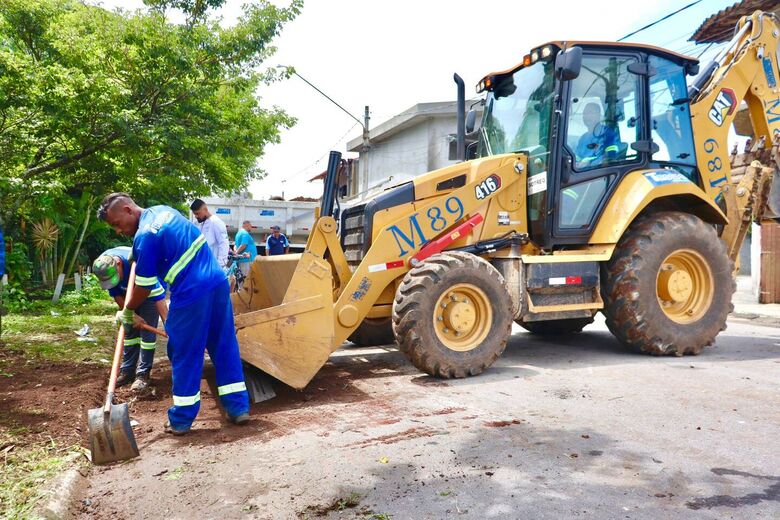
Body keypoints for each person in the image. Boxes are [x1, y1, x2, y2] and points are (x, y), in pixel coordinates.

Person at [98, 193, 250, 435]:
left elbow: (145, 286)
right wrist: (137, 253)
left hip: (191, 292)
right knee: (223, 345)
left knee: (184, 352)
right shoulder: (163, 209)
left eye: (116, 224)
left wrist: (127, 312)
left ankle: (181, 419)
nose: (117, 231)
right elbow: (167, 245)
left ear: (128, 209)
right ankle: (238, 408)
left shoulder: (144, 236)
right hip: (218, 283)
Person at [93, 247, 166, 391]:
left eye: (115, 277)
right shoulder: (103, 266)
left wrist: (168, 324)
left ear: (119, 264)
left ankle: (143, 375)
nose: (114, 281)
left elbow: (158, 296)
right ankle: (127, 371)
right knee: (130, 332)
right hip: (127, 294)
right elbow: (115, 293)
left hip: (149, 292)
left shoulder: (138, 264)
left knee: (147, 336)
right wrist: (131, 315)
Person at [574, 102, 620, 169]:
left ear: (598, 116)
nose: (587, 116)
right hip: (581, 174)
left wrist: (590, 163)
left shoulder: (607, 133)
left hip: (599, 174)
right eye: (585, 113)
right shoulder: (583, 138)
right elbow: (577, 158)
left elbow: (611, 158)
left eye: (591, 113)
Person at [190, 199, 229, 270]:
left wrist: (220, 266)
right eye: (194, 214)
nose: (196, 216)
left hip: (213, 267)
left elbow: (224, 244)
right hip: (202, 265)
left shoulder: (216, 222)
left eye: (197, 213)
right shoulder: (199, 223)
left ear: (205, 209)